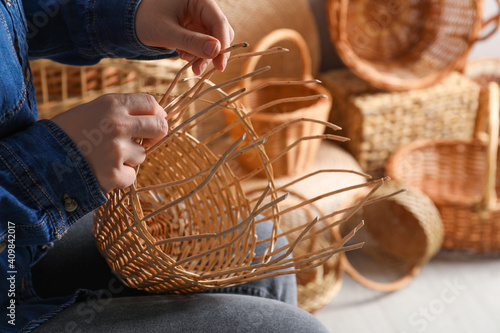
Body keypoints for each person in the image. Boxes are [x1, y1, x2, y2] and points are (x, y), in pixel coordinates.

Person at [0, 0, 330, 332]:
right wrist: (56, 163)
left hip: (16, 247)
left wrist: (132, 15)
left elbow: (22, 15)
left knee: (265, 249)